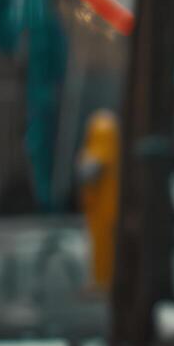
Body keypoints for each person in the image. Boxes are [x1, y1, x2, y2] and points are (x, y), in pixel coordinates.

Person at [75, 110, 120, 291]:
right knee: (107, 244)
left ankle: (102, 281)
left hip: (100, 205)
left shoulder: (102, 136)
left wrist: (81, 162)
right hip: (108, 203)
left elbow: (90, 172)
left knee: (100, 244)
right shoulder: (113, 140)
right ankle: (106, 280)